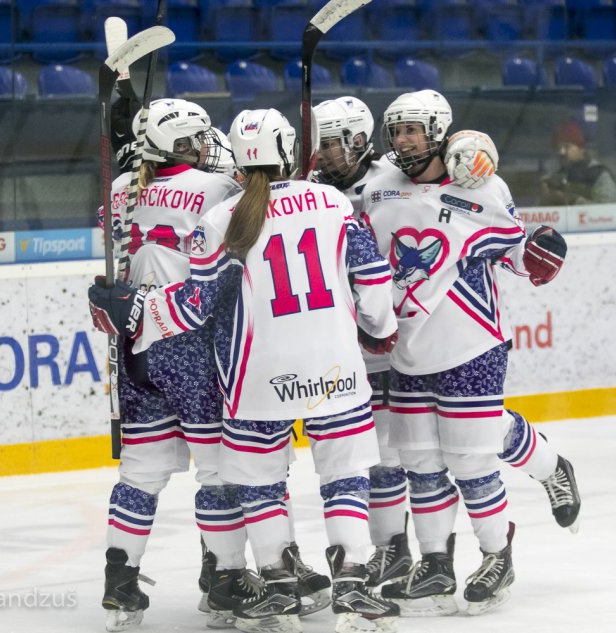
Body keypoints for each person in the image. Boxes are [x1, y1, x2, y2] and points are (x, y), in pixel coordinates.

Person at [89, 108, 402, 633]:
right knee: (312, 473)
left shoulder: (174, 204)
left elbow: (189, 293)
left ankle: (252, 580)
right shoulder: (317, 200)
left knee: (201, 477)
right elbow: (370, 276)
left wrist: (137, 308)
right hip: (298, 359)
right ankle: (301, 577)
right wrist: (380, 328)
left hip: (199, 358)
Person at [358, 89, 581, 617]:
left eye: (414, 129)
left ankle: (498, 554)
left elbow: (513, 251)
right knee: (420, 462)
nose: (404, 139)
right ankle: (435, 562)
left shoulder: (479, 185)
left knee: (471, 457)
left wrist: (537, 254)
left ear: (438, 131)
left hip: (471, 342)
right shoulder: (379, 186)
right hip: (406, 347)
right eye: (397, 130)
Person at [96, 98, 248, 633]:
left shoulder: (118, 189)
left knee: (140, 470)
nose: (204, 145)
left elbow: (134, 211)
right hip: (189, 338)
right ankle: (225, 580)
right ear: (179, 142)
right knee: (218, 468)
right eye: (195, 138)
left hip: (133, 343)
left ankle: (120, 583)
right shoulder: (217, 187)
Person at [540, 118, 616, 205]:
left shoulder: (599, 175)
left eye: (567, 147)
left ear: (581, 149)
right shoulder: (555, 178)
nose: (561, 152)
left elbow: (608, 209)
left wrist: (572, 200)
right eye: (558, 148)